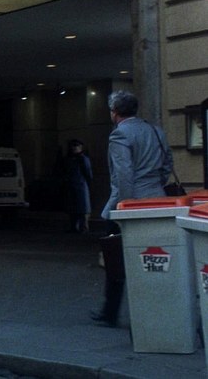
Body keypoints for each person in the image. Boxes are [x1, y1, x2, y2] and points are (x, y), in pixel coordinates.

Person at [91, 90, 173, 326]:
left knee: (115, 259)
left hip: (129, 203)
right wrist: (154, 186)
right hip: (157, 201)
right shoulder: (155, 130)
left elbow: (123, 174)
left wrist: (125, 207)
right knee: (154, 259)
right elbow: (167, 163)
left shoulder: (120, 134)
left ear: (114, 112)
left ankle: (110, 312)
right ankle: (158, 308)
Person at [63, 139, 92, 233]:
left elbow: (88, 172)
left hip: (81, 185)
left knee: (83, 208)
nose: (74, 148)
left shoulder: (83, 159)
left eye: (77, 146)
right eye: (73, 146)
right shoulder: (69, 159)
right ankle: (74, 227)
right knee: (73, 208)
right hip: (72, 185)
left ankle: (83, 227)